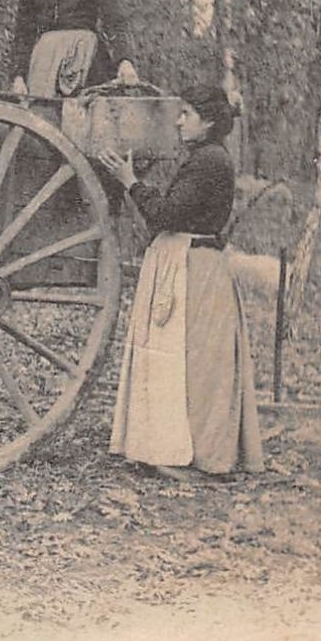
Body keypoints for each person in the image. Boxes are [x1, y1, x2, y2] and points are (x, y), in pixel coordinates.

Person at [96, 85, 265, 482]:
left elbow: (166, 214)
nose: (178, 120)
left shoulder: (210, 161)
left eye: (186, 113)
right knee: (180, 358)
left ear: (208, 121)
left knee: (198, 362)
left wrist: (129, 180)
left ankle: (202, 454)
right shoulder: (203, 158)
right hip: (185, 262)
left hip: (196, 270)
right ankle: (169, 446)